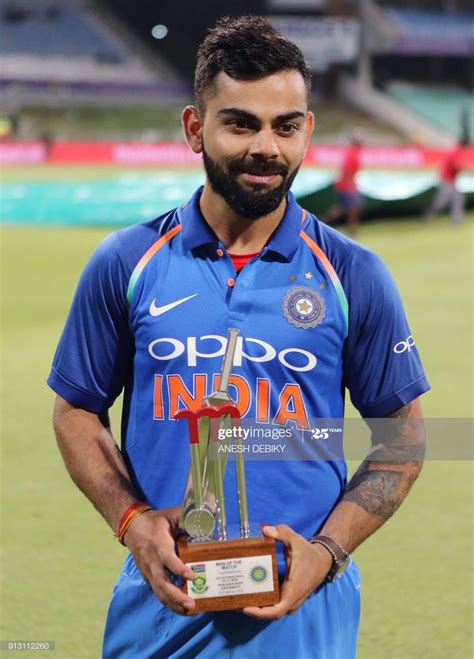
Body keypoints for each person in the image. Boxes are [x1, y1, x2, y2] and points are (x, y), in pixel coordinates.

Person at [48, 16, 430, 659]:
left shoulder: (354, 274)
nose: (266, 148)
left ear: (307, 130)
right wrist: (133, 522)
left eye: (285, 126)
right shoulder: (126, 262)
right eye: (240, 123)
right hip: (162, 605)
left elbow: (407, 434)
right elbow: (75, 410)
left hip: (304, 610)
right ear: (195, 129)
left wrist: (329, 551)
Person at [324, 130, 364, 234]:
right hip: (346, 184)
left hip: (345, 184)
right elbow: (347, 171)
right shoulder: (352, 153)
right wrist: (350, 187)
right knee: (354, 206)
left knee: (343, 207)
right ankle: (351, 229)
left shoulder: (352, 151)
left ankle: (324, 222)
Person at [423, 137, 468, 225]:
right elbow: (456, 165)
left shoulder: (455, 150)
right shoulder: (456, 151)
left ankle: (457, 220)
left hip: (448, 179)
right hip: (447, 180)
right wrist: (464, 167)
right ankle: (428, 213)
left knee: (457, 199)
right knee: (442, 202)